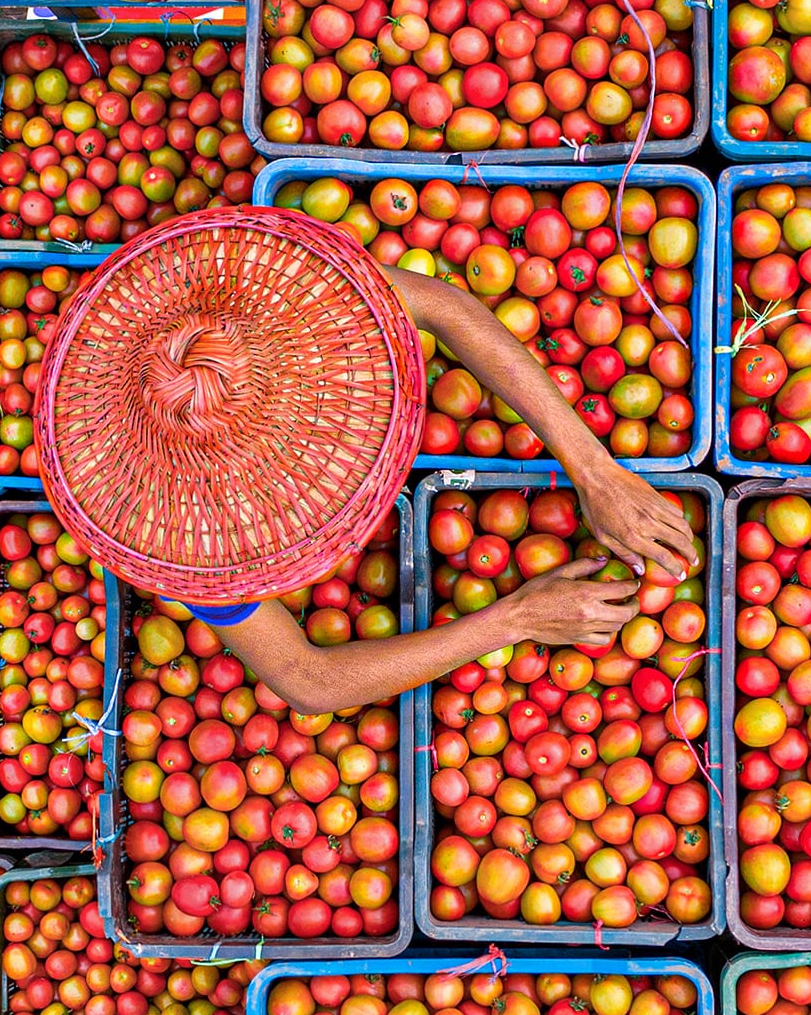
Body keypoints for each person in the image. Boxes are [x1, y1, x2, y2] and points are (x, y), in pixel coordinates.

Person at [168, 263, 699, 717]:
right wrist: (516, 618)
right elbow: (306, 679)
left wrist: (594, 468)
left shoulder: (253, 285)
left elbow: (439, 305)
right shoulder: (171, 534)